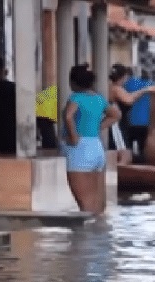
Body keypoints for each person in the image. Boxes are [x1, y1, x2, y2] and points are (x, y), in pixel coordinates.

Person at [62, 64, 120, 215]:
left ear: (73, 82)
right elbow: (115, 115)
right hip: (97, 147)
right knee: (98, 205)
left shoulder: (75, 97)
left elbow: (69, 116)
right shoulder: (99, 99)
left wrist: (74, 137)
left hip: (81, 150)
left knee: (85, 206)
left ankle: (85, 237)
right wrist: (97, 127)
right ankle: (100, 237)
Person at [109, 64, 155, 156]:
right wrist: (146, 90)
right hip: (117, 125)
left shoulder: (116, 87)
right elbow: (129, 100)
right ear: (123, 76)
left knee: (122, 151)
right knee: (123, 153)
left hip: (122, 124)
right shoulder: (116, 89)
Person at [123, 70, 155, 162]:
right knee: (143, 150)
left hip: (129, 122)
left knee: (127, 149)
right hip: (145, 122)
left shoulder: (127, 84)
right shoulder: (151, 85)